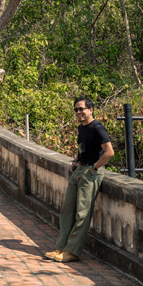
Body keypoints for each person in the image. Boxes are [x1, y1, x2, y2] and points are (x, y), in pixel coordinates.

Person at [45, 95, 114, 263]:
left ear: (91, 110)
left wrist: (93, 168)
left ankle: (72, 251)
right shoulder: (82, 128)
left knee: (82, 213)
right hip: (79, 170)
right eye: (76, 109)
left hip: (91, 172)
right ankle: (60, 247)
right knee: (67, 210)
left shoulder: (97, 128)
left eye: (81, 109)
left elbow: (109, 152)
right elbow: (83, 148)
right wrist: (76, 161)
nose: (78, 112)